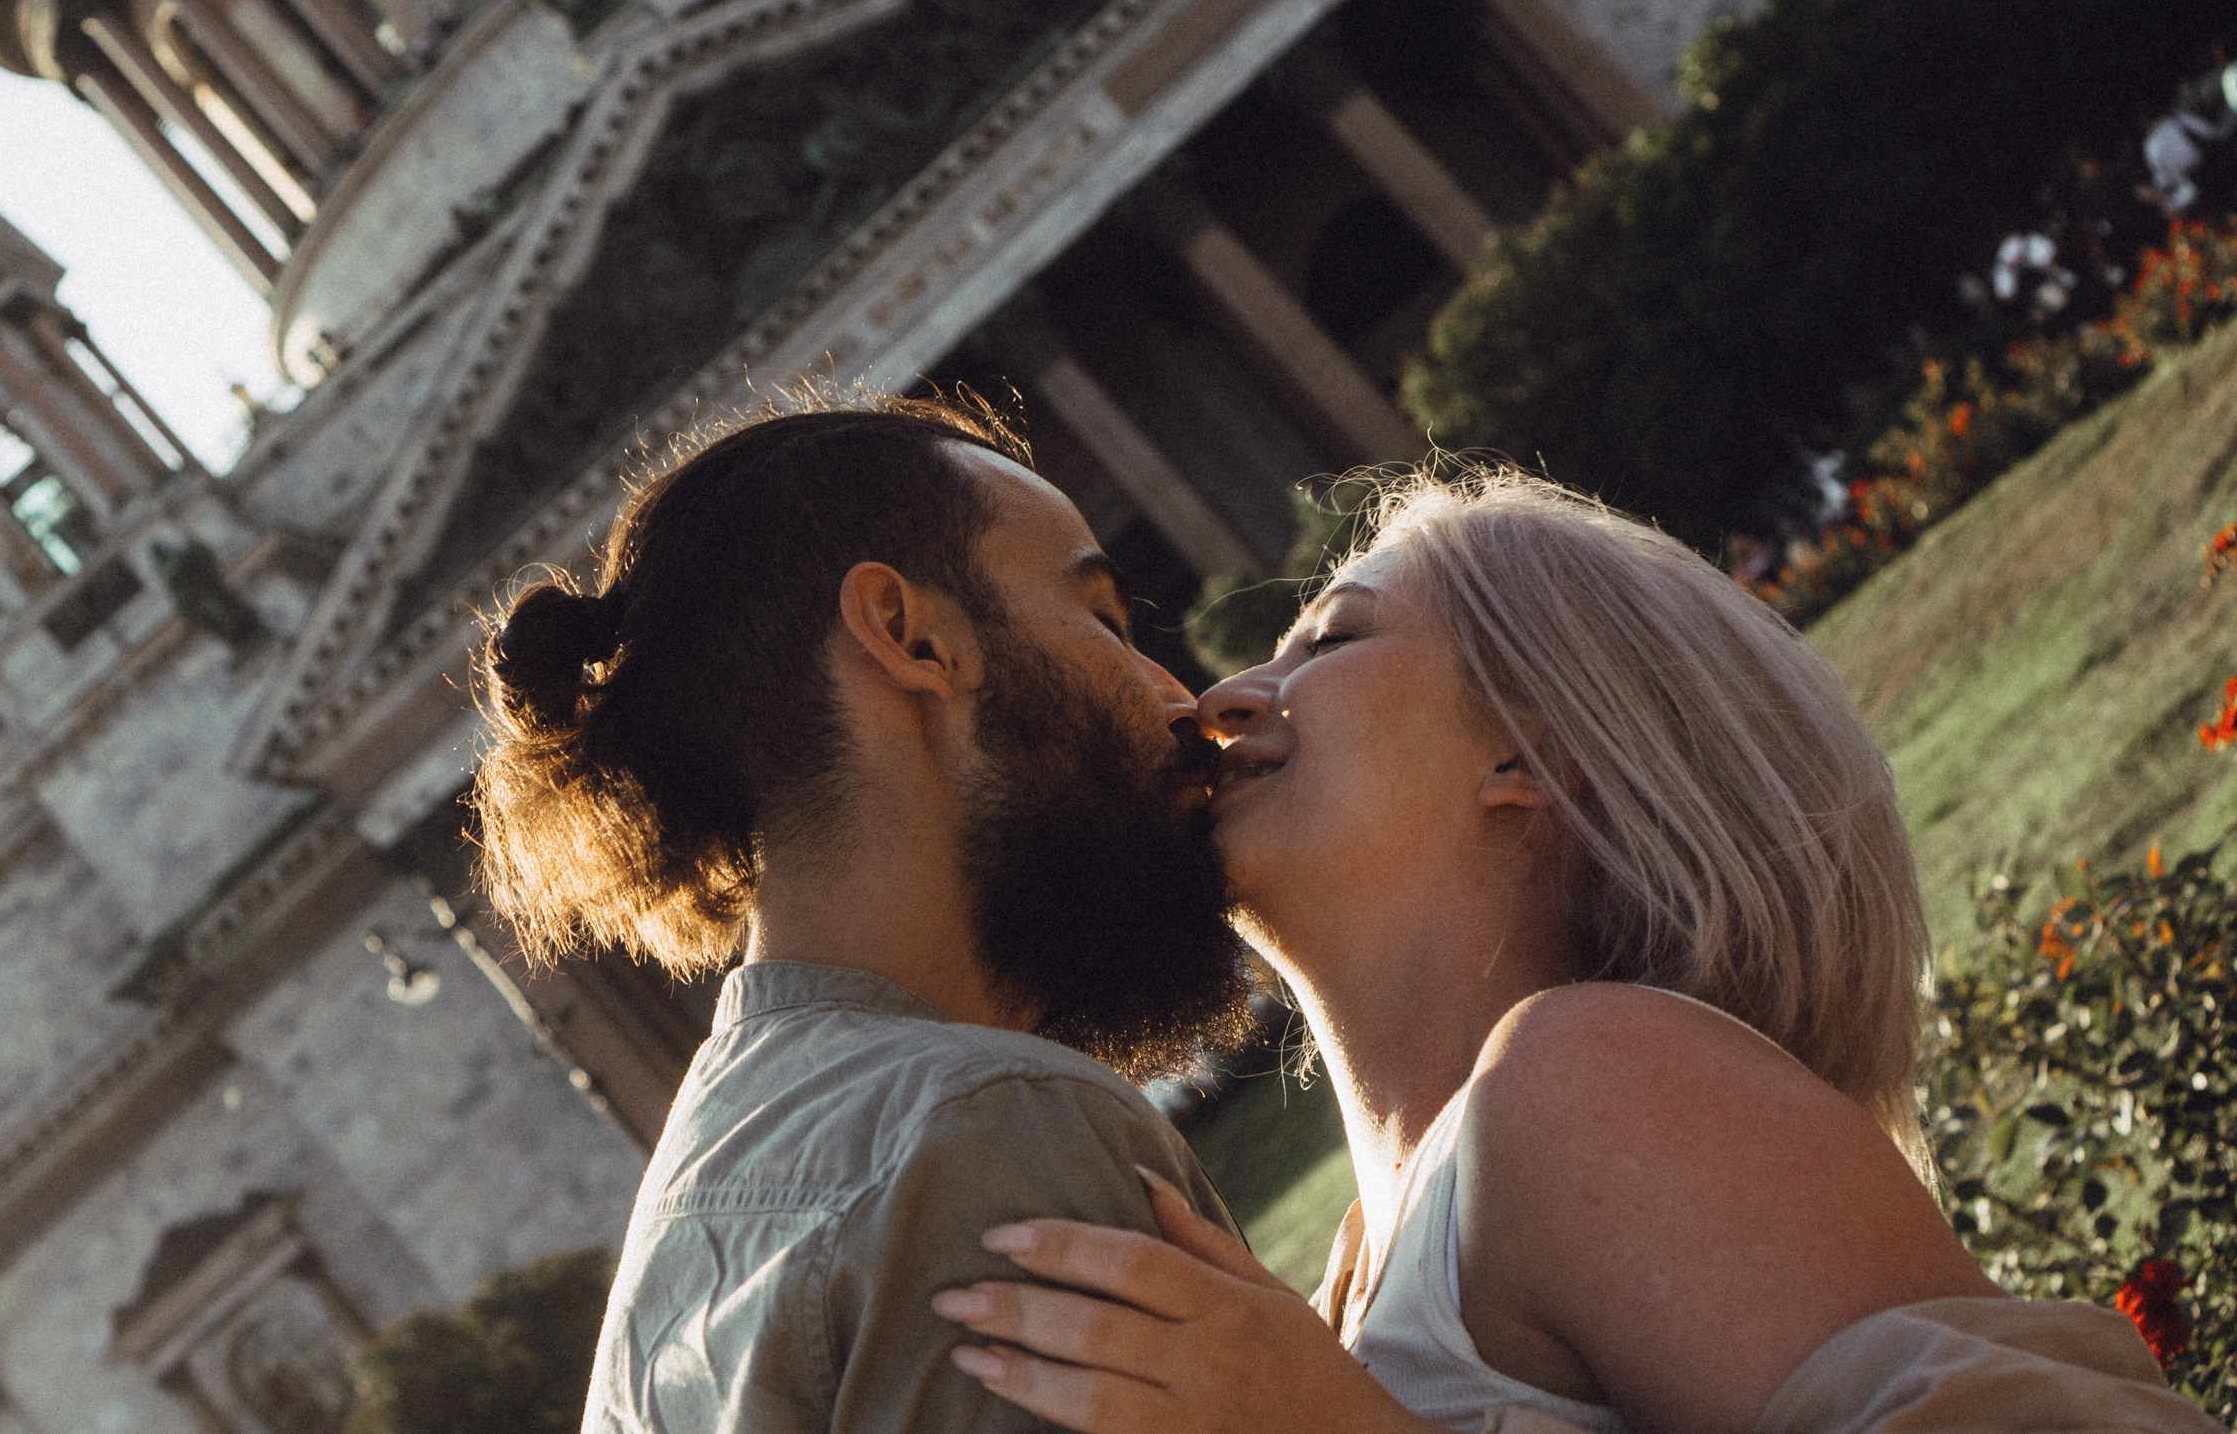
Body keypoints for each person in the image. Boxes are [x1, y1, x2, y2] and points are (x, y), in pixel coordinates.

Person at [931, 464, 2222, 1434]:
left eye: (1329, 639)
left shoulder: (1588, 1081)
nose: (1216, 702)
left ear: (1537, 750)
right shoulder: (1340, 1285)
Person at [470, 392, 1260, 1434]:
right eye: (1106, 621)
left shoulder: (683, 1220)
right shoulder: (985, 1125)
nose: (1177, 696)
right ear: (910, 637)